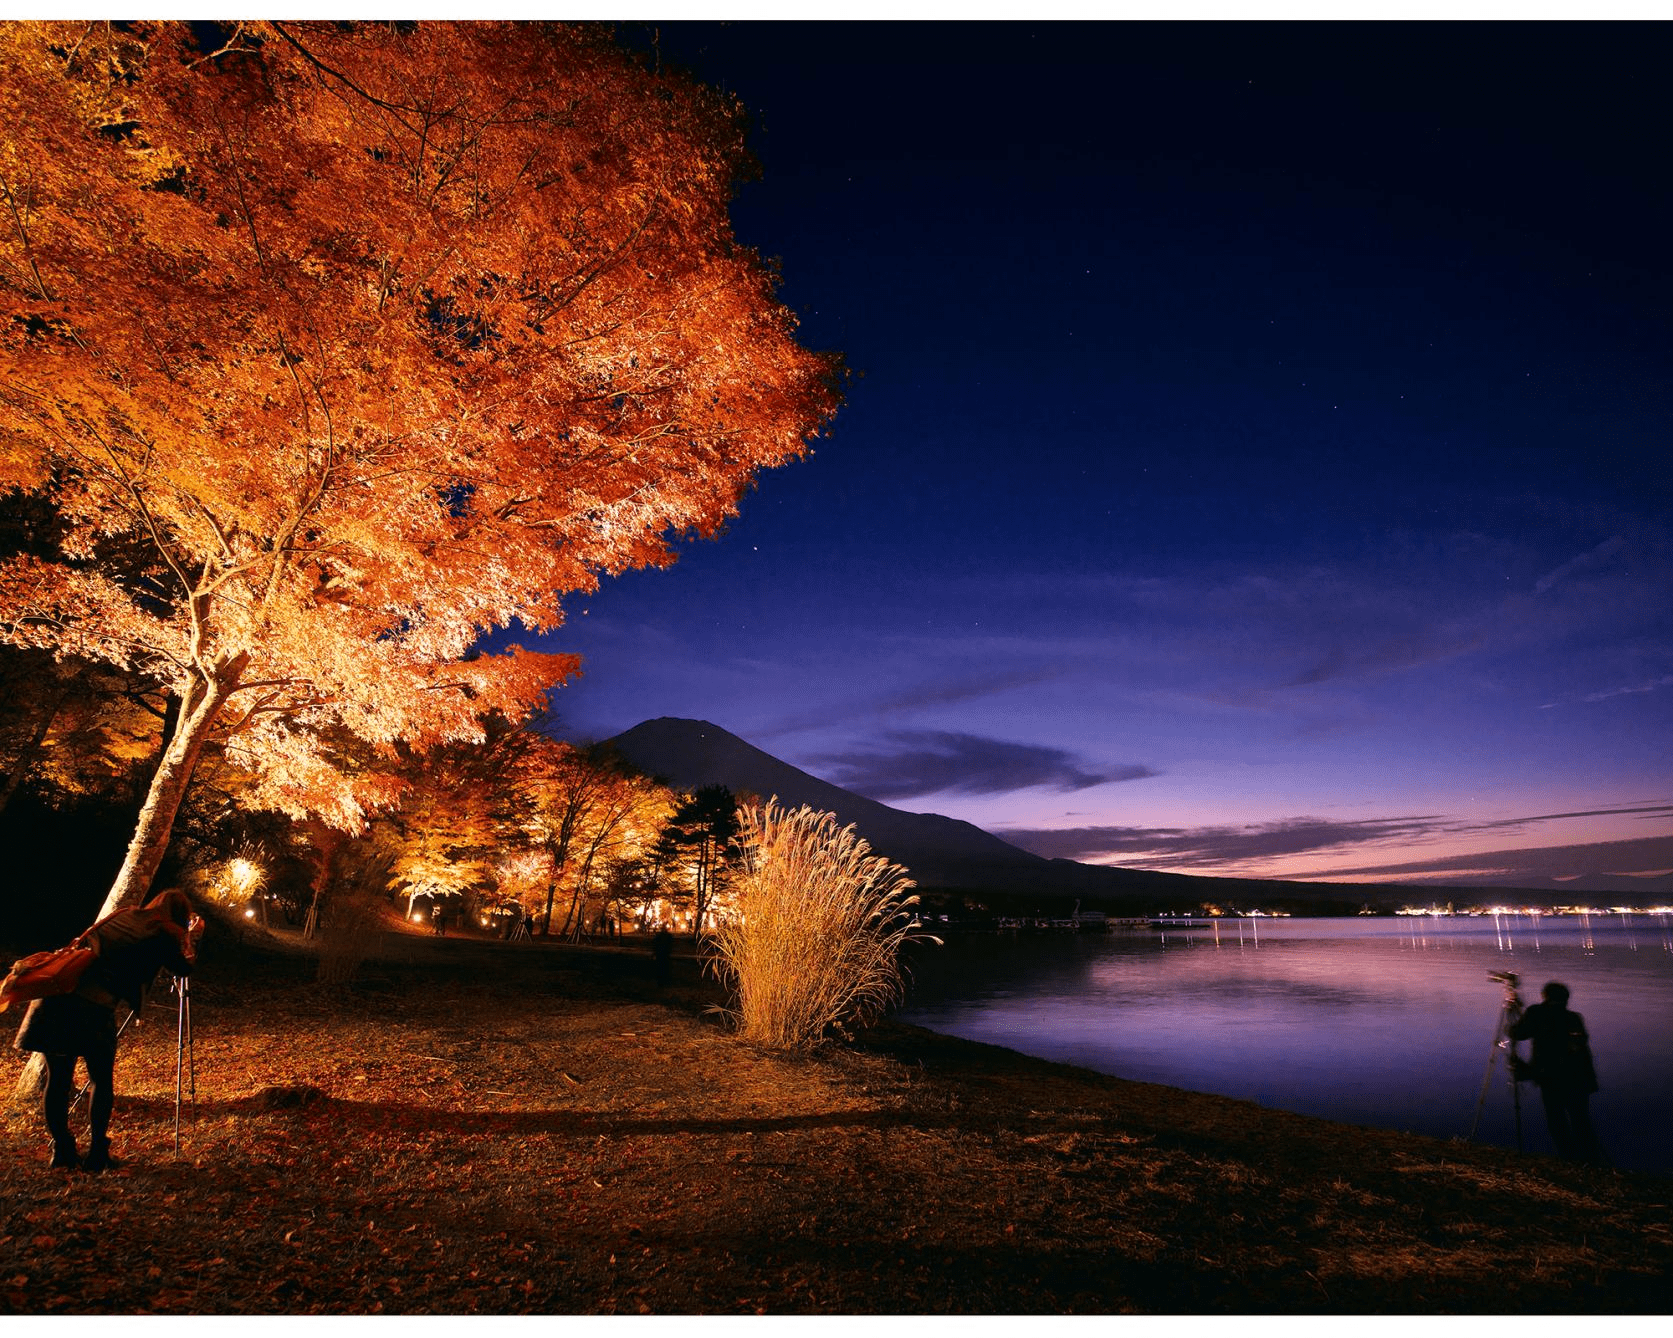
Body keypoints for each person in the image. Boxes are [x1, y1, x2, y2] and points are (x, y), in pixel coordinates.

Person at [14, 888, 203, 1172]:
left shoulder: (123, 915)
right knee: (100, 1080)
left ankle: (62, 1150)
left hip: (57, 999)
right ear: (179, 915)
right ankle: (97, 1154)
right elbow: (183, 968)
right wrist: (191, 935)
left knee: (58, 1079)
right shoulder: (164, 933)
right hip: (92, 1010)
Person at [1508, 980, 1605, 1164]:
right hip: (1577, 1078)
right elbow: (1584, 1052)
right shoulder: (1574, 1018)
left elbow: (1518, 1033)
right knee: (1581, 1120)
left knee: (1557, 1120)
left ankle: (1569, 1158)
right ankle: (1591, 1160)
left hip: (1550, 1078)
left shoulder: (1537, 1012)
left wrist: (1509, 1024)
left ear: (1545, 996)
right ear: (1566, 999)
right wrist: (1591, 1080)